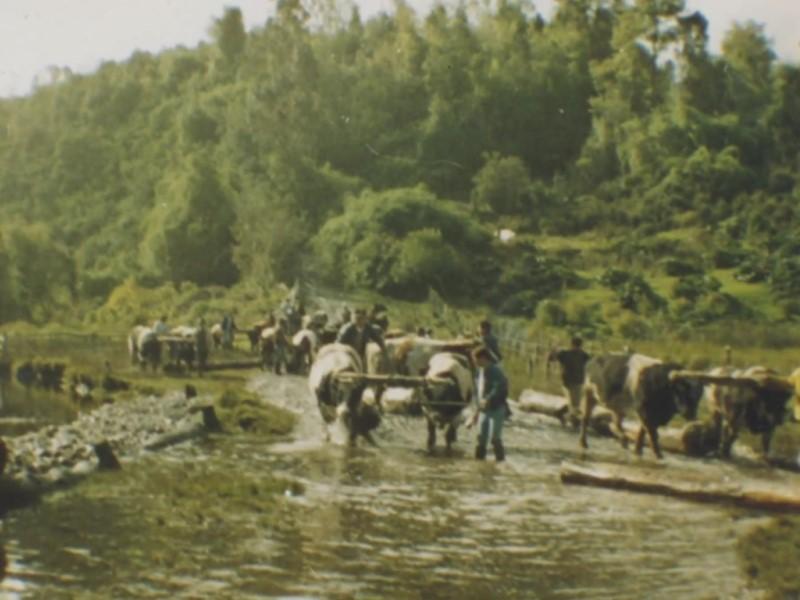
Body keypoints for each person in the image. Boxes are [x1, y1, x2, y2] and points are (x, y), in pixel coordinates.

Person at [469, 345, 509, 462]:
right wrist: (475, 414)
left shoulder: (495, 371)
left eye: (475, 359)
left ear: (483, 358)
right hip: (483, 410)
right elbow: (478, 392)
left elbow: (500, 387)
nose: (474, 362)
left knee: (495, 438)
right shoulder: (479, 372)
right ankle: (479, 462)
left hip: (496, 409)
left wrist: (488, 399)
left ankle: (500, 462)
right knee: (480, 438)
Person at [547, 336, 591, 427]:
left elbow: (551, 358)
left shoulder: (568, 354)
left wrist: (553, 350)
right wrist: (554, 351)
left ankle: (560, 414)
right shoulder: (580, 355)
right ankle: (573, 422)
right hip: (572, 382)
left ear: (572, 344)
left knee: (575, 404)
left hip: (574, 381)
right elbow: (551, 358)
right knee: (575, 405)